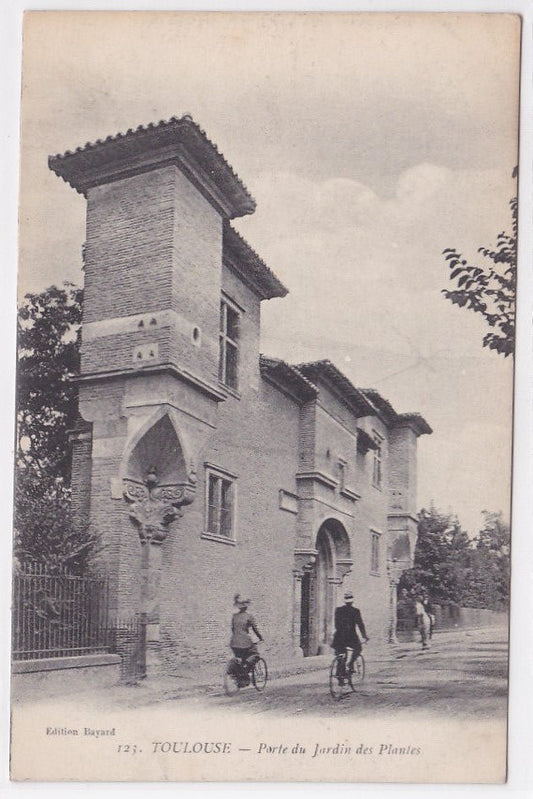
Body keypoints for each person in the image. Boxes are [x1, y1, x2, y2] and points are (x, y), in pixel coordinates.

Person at [332, 591, 369, 683]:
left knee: (341, 654)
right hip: (351, 637)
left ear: (344, 601)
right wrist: (364, 636)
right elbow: (360, 624)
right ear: (352, 601)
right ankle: (351, 664)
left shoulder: (338, 610)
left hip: (339, 637)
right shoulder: (355, 611)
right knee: (358, 649)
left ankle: (340, 676)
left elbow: (336, 624)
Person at [230, 594, 263, 664]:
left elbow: (233, 630)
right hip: (245, 642)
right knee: (255, 654)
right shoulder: (249, 616)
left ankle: (241, 668)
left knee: (240, 658)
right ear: (246, 607)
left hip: (234, 643)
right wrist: (260, 638)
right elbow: (255, 629)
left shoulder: (234, 616)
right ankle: (247, 665)